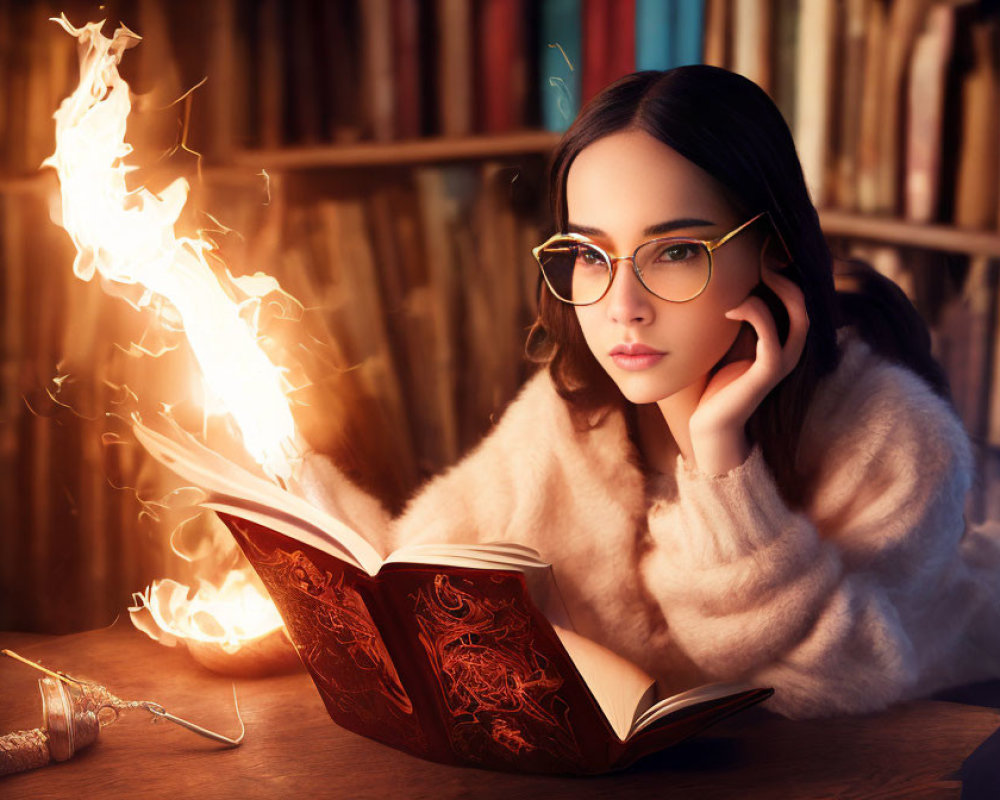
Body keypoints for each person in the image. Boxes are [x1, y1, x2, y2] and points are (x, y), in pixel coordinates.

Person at [302, 65, 1000, 718]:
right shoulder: (571, 414)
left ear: (774, 246)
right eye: (589, 254)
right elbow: (416, 566)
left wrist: (721, 461)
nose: (622, 306)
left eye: (675, 252)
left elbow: (825, 687)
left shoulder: (895, 438)